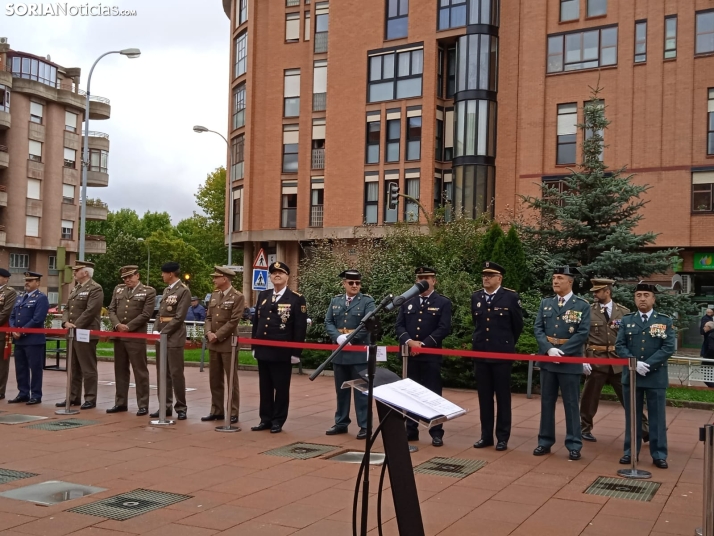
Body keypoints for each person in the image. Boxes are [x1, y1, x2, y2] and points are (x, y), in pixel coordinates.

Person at [580, 278, 651, 442]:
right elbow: (582, 338)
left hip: (618, 361)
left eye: (598, 291)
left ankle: (645, 430)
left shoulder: (623, 312)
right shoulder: (588, 311)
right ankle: (584, 428)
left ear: (608, 291)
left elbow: (630, 338)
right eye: (594, 292)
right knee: (589, 398)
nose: (595, 294)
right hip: (596, 360)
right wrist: (583, 359)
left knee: (630, 397)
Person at [533, 266, 591, 460]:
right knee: (547, 402)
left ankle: (574, 444)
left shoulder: (582, 305)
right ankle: (544, 441)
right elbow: (538, 328)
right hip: (548, 360)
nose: (555, 281)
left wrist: (563, 352)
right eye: (553, 278)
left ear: (570, 281)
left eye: (559, 278)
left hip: (570, 361)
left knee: (571, 404)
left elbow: (583, 333)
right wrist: (549, 349)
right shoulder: (546, 303)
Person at [616, 283, 675, 469]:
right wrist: (634, 362)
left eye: (646, 295)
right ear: (634, 298)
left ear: (653, 299)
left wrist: (648, 364)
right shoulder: (626, 321)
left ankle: (659, 454)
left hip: (655, 376)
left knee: (657, 416)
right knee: (632, 416)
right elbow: (620, 346)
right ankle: (630, 452)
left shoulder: (664, 321)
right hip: (632, 375)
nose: (642, 298)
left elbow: (668, 347)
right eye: (639, 295)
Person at [395, 266, 452, 447]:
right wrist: (410, 342)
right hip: (409, 354)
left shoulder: (443, 302)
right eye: (420, 278)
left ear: (434, 281)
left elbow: (444, 328)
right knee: (410, 393)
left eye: (427, 278)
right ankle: (411, 430)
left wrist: (424, 344)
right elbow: (399, 326)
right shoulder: (406, 301)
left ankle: (436, 432)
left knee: (433, 394)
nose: (423, 281)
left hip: (430, 355)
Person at [471, 261, 523, 451]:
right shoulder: (476, 296)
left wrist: (506, 344)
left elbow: (517, 325)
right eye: (484, 275)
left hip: (501, 354)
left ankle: (502, 437)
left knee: (502, 397)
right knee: (484, 397)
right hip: (481, 353)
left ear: (499, 278)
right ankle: (486, 436)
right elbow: (476, 323)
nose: (486, 278)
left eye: (490, 275)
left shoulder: (510, 297)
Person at [251, 261, 307, 434]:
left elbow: (299, 327)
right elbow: (257, 322)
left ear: (287, 277)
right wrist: (254, 345)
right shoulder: (263, 295)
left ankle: (278, 420)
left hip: (282, 351)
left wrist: (296, 352)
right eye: (274, 273)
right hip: (263, 349)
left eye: (280, 273)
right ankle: (265, 419)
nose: (277, 275)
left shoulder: (296, 298)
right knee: (265, 387)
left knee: (281, 388)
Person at [324, 269, 376, 440]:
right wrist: (338, 337)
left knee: (361, 391)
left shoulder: (367, 302)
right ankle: (341, 422)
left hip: (358, 352)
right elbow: (329, 321)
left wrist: (350, 338)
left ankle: (365, 426)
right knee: (341, 391)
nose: (355, 286)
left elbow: (369, 323)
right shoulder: (336, 301)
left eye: (358, 283)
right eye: (351, 283)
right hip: (340, 352)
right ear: (344, 283)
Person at [107, 265, 156, 416]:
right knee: (120, 370)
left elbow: (146, 314)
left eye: (130, 276)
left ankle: (143, 404)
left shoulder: (148, 291)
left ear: (137, 275)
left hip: (135, 336)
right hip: (119, 335)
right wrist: (117, 325)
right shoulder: (119, 290)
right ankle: (120, 402)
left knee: (140, 371)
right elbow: (111, 309)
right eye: (124, 278)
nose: (127, 280)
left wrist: (128, 327)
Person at [57, 261, 103, 409]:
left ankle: (90, 397)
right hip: (72, 332)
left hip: (85, 332)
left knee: (87, 367)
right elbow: (66, 308)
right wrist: (65, 323)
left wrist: (75, 325)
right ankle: (72, 397)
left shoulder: (95, 289)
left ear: (86, 273)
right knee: (73, 367)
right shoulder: (75, 289)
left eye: (77, 270)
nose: (74, 273)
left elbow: (91, 311)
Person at [203, 266, 244, 425]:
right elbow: (208, 317)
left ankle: (233, 411)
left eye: (216, 277)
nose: (214, 280)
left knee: (231, 379)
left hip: (228, 343)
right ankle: (216, 410)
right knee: (215, 378)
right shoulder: (214, 295)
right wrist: (208, 333)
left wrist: (217, 335)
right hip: (213, 343)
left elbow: (234, 321)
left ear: (225, 279)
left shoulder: (237, 296)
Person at [152, 262, 191, 420]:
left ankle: (181, 407)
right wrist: (155, 329)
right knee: (162, 373)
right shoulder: (167, 290)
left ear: (170, 274)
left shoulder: (183, 290)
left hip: (174, 336)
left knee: (176, 373)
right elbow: (160, 313)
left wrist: (163, 332)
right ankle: (165, 406)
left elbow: (179, 317)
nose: (162, 276)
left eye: (163, 273)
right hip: (161, 335)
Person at [8, 272, 48, 404]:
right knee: (21, 367)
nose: (27, 283)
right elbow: (12, 316)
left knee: (35, 368)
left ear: (38, 283)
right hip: (19, 339)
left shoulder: (41, 298)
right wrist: (14, 329)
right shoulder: (20, 297)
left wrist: (23, 331)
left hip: (33, 340)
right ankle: (23, 392)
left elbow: (37, 319)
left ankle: (36, 394)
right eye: (26, 280)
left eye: (30, 280)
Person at [0, 268, 17, 401]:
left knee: (1, 362)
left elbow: (6, 312)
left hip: (1, 330)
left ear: (6, 278)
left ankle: (0, 390)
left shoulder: (9, 292)